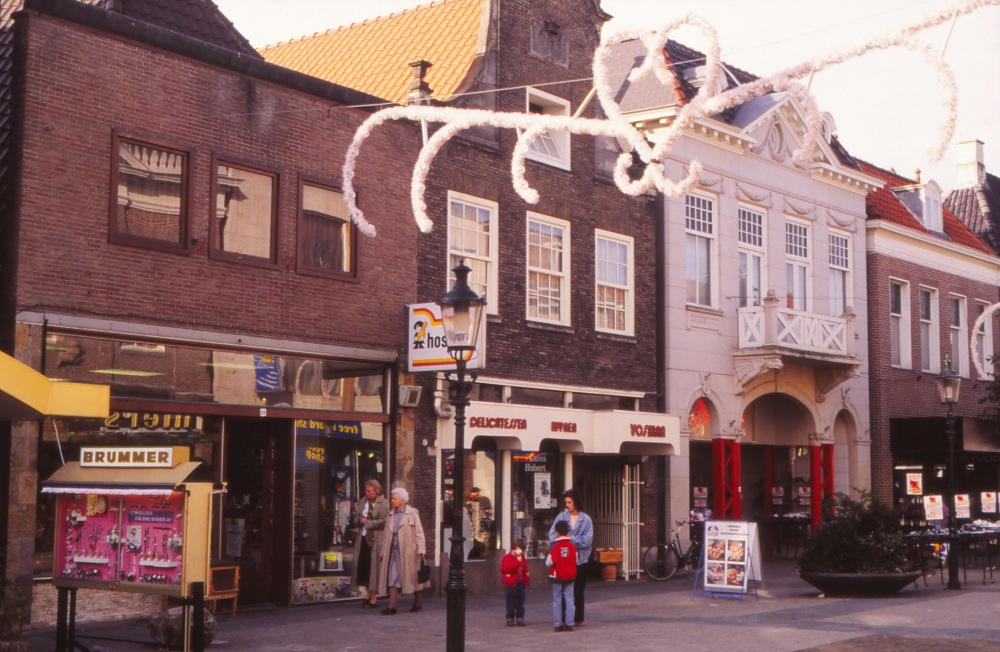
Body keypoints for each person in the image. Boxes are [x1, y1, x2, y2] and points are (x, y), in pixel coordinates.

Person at [376, 487, 429, 615]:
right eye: (392, 498)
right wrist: (383, 552)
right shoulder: (390, 515)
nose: (392, 501)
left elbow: (419, 533)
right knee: (393, 577)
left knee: (412, 578)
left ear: (402, 500)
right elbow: (386, 536)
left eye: (395, 499)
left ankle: (417, 602)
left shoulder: (412, 513)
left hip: (409, 553)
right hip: (393, 551)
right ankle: (392, 606)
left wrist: (422, 550)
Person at [548, 489, 593, 628]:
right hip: (564, 559)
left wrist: (569, 539)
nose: (567, 505)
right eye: (566, 502)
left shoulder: (586, 519)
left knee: (579, 590)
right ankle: (563, 619)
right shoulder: (561, 516)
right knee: (563, 588)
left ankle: (578, 618)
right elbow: (552, 535)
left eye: (569, 502)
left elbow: (587, 541)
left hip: (581, 560)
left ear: (576, 502)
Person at [350, 479, 389, 608]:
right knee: (363, 567)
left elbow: (384, 521)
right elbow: (355, 517)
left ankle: (374, 597)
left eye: (369, 491)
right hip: (362, 539)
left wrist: (367, 522)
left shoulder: (384, 503)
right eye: (366, 490)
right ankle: (367, 594)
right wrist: (359, 520)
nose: (367, 493)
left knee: (374, 568)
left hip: (375, 540)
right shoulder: (362, 502)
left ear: (376, 491)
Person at [546, 520, 577, 633]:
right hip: (570, 576)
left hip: (557, 576)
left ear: (557, 532)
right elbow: (576, 560)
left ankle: (557, 625)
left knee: (557, 601)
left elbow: (548, 562)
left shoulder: (554, 546)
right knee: (569, 600)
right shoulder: (573, 546)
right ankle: (570, 624)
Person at [501, 537, 531, 627]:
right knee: (510, 601)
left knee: (520, 601)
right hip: (510, 583)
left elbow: (525, 569)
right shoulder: (507, 558)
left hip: (520, 582)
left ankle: (520, 617)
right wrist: (517, 561)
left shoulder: (522, 558)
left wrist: (527, 580)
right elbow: (508, 568)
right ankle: (510, 617)